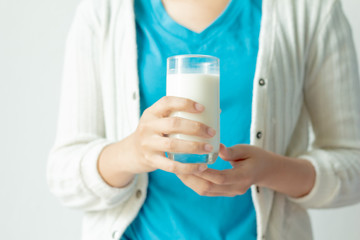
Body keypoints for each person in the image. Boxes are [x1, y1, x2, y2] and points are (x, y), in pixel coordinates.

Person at [47, 0, 360, 239]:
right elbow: (63, 175)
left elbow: (354, 166)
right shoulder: (104, 12)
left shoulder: (311, 10)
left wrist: (271, 170)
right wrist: (132, 152)